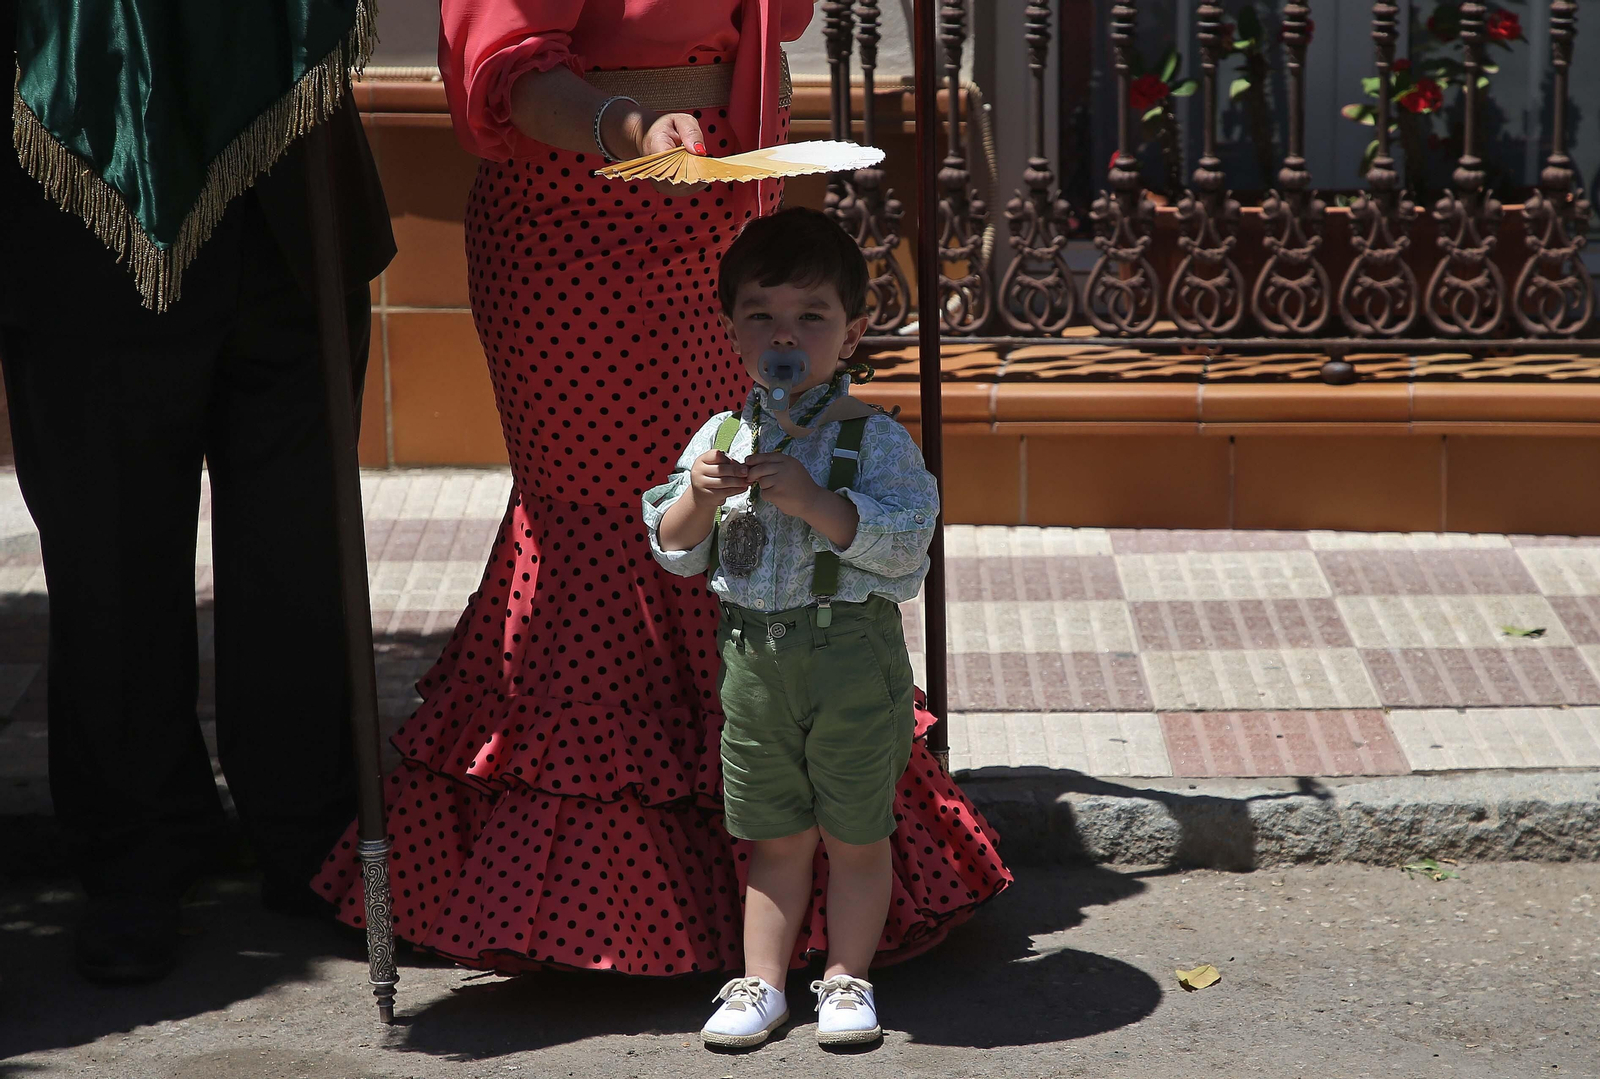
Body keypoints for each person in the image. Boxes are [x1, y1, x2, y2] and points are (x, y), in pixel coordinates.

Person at [312, 0, 1009, 989]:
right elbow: (505, 65)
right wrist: (629, 127)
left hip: (716, 219)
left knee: (732, 497)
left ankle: (770, 873)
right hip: (571, 218)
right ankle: (604, 905)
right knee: (608, 518)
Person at [0, 0, 394, 982]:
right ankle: (138, 850)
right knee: (112, 565)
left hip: (290, 209)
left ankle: (310, 837)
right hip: (89, 205)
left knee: (299, 559)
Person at [645, 207, 934, 1048]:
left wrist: (816, 502)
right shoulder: (723, 433)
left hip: (849, 657)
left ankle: (845, 979)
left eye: (812, 316)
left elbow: (909, 539)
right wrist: (698, 492)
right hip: (754, 661)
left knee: (853, 830)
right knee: (776, 832)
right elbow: (673, 547)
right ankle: (762, 983)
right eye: (763, 315)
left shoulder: (869, 437)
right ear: (732, 330)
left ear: (851, 334)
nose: (787, 334)